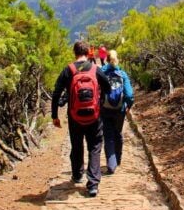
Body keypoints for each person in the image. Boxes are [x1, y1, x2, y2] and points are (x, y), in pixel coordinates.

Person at [51, 41, 110, 197]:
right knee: (95, 147)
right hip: (94, 116)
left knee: (76, 145)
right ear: (87, 53)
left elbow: (56, 93)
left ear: (74, 52)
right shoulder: (95, 69)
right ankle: (93, 184)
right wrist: (100, 100)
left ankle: (77, 175)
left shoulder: (68, 70)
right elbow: (108, 87)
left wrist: (54, 115)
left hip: (74, 116)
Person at [100, 50, 134, 174]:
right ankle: (118, 159)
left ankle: (111, 163)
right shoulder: (122, 74)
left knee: (108, 135)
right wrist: (128, 105)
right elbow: (129, 94)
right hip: (120, 110)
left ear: (107, 60)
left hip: (105, 108)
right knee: (118, 133)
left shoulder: (102, 72)